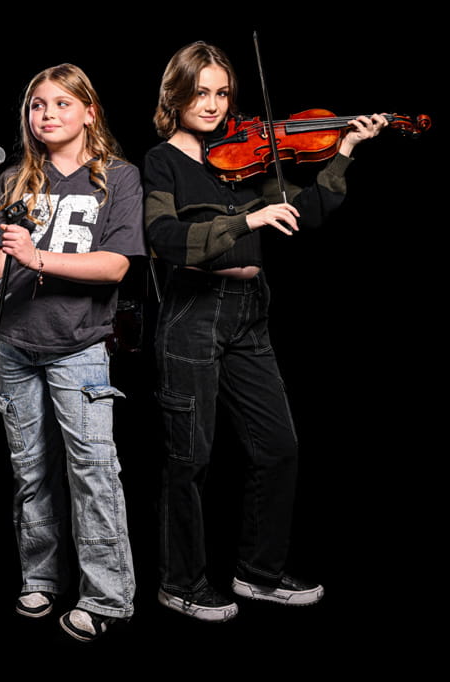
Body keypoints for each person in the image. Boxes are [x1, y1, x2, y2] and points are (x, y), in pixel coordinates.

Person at [143, 41, 387, 622]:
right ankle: (181, 583)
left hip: (249, 309)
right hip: (192, 312)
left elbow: (305, 213)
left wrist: (345, 150)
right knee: (190, 457)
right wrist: (246, 218)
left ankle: (258, 574)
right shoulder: (162, 161)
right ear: (175, 95)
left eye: (222, 93)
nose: (212, 104)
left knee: (278, 447)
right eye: (199, 92)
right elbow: (163, 238)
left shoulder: (243, 158)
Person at [0, 64, 145, 642]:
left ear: (89, 111)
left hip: (78, 347)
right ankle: (39, 578)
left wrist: (39, 257)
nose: (48, 114)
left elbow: (115, 266)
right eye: (37, 105)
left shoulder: (117, 177)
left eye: (62, 103)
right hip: (15, 347)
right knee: (30, 470)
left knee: (92, 472)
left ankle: (107, 597)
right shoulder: (14, 180)